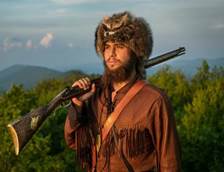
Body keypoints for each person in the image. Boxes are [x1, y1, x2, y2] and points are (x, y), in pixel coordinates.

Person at [64, 11, 181, 172]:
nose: (111, 54)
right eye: (107, 47)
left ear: (135, 51)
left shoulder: (155, 100)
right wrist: (78, 104)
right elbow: (74, 142)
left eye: (119, 46)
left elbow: (170, 163)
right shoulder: (94, 96)